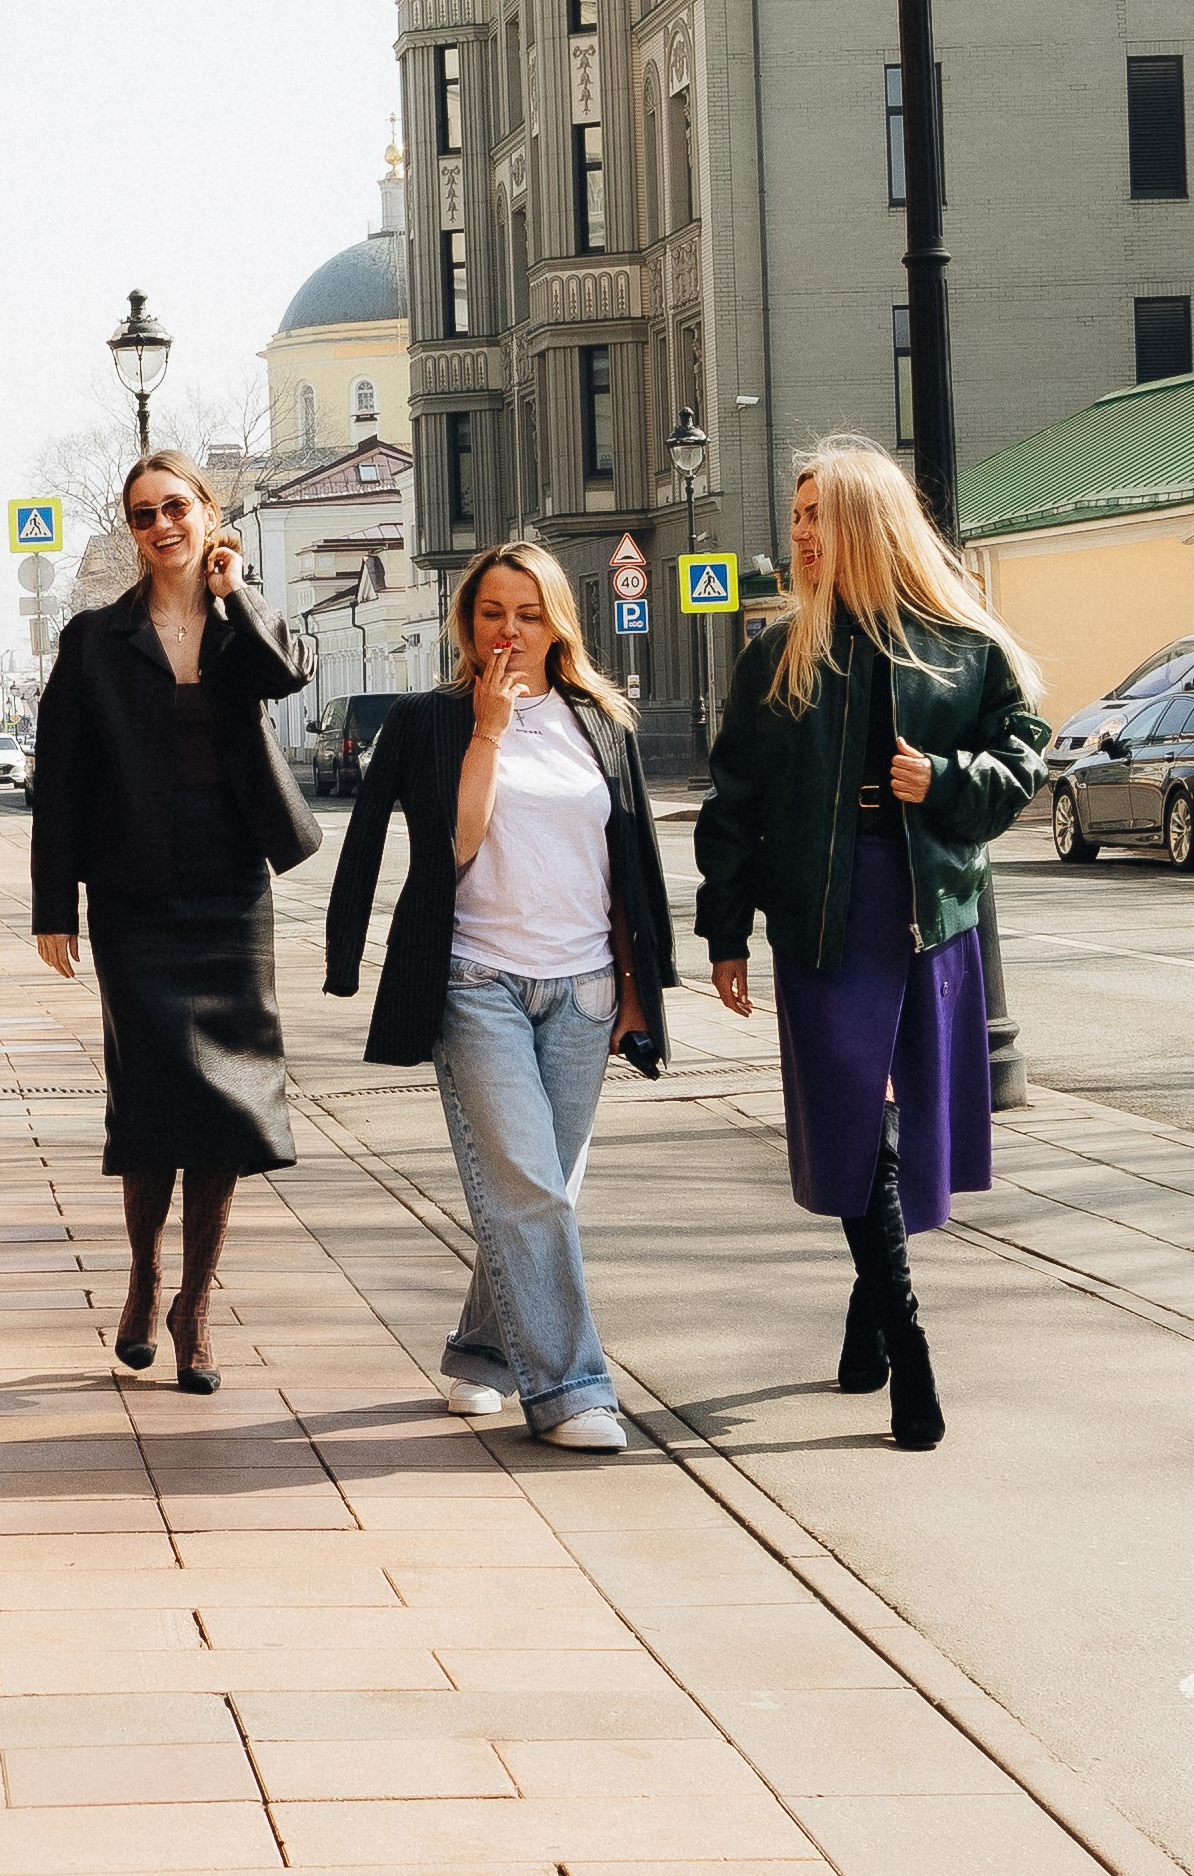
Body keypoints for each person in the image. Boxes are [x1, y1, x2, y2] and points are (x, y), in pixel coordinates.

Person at [695, 432, 1048, 1451]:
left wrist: (941, 779)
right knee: (857, 1123)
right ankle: (909, 1348)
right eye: (795, 515)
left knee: (900, 1132)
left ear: (862, 524)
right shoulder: (778, 654)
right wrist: (725, 929)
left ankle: (865, 1325)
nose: (797, 533)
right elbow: (733, 809)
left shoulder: (961, 645)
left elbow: (1022, 759)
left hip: (926, 911)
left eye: (815, 515)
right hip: (821, 915)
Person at [326, 542, 673, 1449]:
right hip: (476, 981)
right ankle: (572, 1391)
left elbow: (626, 865)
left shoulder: (601, 719)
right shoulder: (431, 720)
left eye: (527, 612)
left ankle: (481, 1354)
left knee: (539, 1190)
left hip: (587, 987)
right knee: (526, 1189)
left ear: (557, 619)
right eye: (491, 613)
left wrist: (635, 992)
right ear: (466, 622)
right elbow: (453, 847)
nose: (508, 631)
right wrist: (487, 728)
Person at [30, 451, 318, 1392]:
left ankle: (197, 1301)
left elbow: (285, 678)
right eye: (144, 514)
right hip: (132, 886)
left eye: (177, 507)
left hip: (231, 876)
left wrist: (235, 596)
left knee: (226, 1093)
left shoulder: (246, 616)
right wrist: (52, 907)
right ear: (132, 530)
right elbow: (60, 780)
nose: (162, 525)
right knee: (152, 1091)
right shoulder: (95, 639)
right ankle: (145, 1270)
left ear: (208, 512)